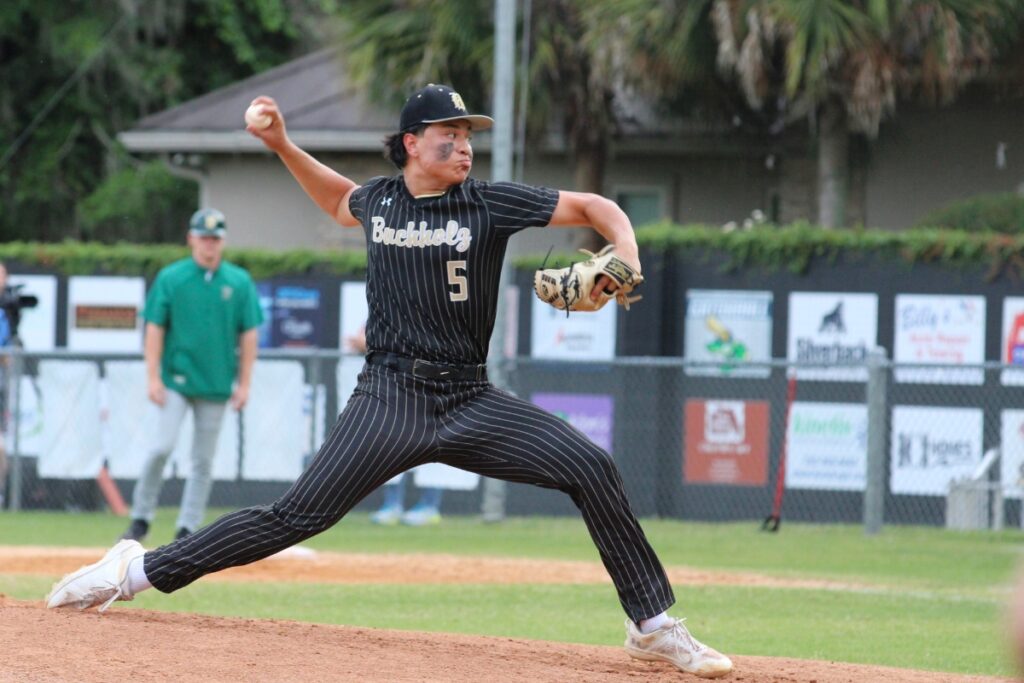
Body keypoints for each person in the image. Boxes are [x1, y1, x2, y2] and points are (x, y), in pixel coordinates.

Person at [46, 84, 732, 678]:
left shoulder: (487, 204)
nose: (464, 147)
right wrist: (281, 142)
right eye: (449, 135)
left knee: (590, 463)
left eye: (468, 136)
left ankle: (650, 623)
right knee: (294, 517)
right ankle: (132, 571)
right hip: (390, 397)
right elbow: (338, 198)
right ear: (411, 142)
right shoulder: (379, 203)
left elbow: (595, 206)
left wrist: (627, 254)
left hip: (469, 398)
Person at [118, 209, 263, 542]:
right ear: (191, 239)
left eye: (214, 238)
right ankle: (140, 518)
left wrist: (245, 383)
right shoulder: (172, 277)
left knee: (203, 460)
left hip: (216, 382)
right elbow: (154, 327)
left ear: (222, 241)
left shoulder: (238, 281)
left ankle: (187, 528)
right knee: (161, 447)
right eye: (203, 237)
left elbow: (249, 334)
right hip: (177, 378)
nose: (209, 244)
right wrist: (152, 376)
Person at [346, 323, 446, 527]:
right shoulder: (388, 305)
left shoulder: (433, 313)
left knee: (434, 445)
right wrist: (363, 344)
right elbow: (368, 338)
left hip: (429, 390)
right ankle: (392, 505)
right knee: (391, 445)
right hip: (395, 390)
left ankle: (429, 506)